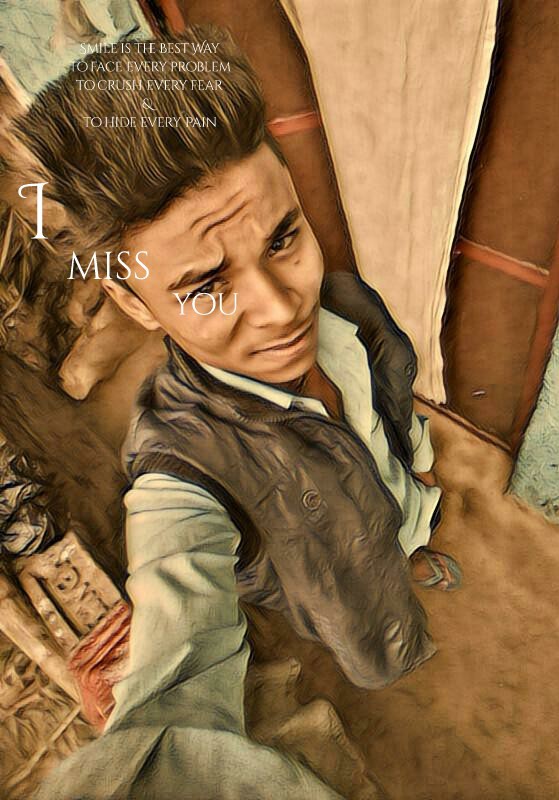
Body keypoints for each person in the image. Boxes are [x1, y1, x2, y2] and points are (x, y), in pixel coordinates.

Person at [6, 23, 461, 800]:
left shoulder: (349, 306)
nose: (283, 307)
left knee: (398, 517)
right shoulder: (176, 473)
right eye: (207, 285)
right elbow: (178, 671)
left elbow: (391, 399)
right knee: (371, 634)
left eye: (283, 239)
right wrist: (151, 739)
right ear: (132, 302)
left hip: (393, 509)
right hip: (349, 604)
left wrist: (412, 474)